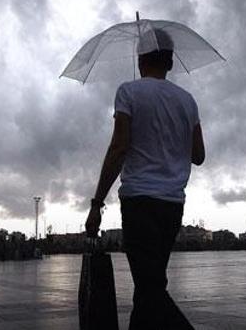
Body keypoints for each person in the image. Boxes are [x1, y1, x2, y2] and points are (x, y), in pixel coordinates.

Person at [85, 28, 204, 330]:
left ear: (140, 60)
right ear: (171, 62)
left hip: (140, 203)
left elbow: (119, 148)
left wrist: (97, 203)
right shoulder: (187, 101)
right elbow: (198, 155)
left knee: (150, 289)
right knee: (148, 287)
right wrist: (170, 136)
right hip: (173, 205)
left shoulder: (128, 92)